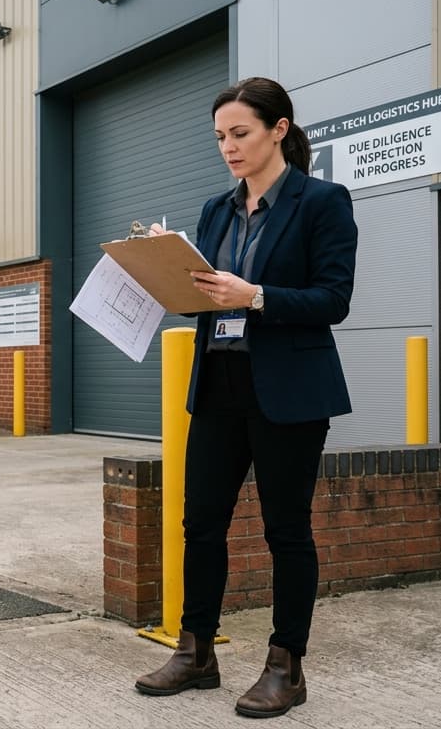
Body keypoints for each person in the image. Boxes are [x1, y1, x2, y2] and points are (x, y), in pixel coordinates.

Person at [134, 77, 357, 719]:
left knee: (286, 531)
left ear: (278, 129)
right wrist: (166, 266)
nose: (228, 148)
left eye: (241, 133)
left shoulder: (323, 202)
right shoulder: (214, 210)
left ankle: (286, 666)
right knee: (200, 522)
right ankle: (196, 651)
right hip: (219, 381)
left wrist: (254, 296)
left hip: (288, 389)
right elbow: (203, 297)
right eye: (220, 137)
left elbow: (333, 300)